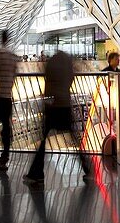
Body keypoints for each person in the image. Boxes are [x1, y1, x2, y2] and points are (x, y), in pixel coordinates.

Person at [24, 50, 91, 184]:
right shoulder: (67, 62)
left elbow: (48, 80)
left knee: (43, 139)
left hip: (53, 105)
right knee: (72, 135)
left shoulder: (52, 62)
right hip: (65, 104)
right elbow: (71, 78)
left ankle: (36, 173)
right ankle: (87, 167)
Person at [0, 31, 19, 171]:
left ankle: (1, 155)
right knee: (6, 127)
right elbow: (15, 74)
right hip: (8, 97)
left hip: (0, 96)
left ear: (1, 38)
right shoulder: (13, 56)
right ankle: (4, 158)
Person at [101, 51, 120, 155]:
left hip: (116, 101)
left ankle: (118, 137)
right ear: (110, 60)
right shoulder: (105, 72)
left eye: (118, 58)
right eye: (116, 59)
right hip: (110, 101)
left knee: (116, 118)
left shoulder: (119, 72)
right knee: (111, 118)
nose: (118, 60)